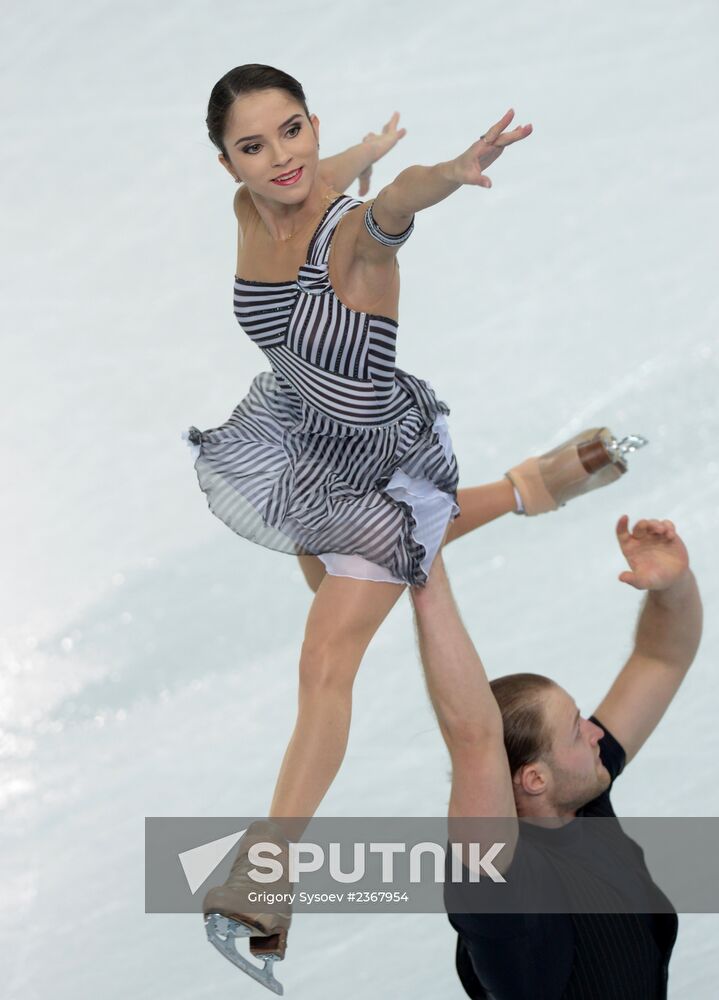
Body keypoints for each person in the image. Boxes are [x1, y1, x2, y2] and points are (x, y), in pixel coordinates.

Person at [183, 63, 643, 985]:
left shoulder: (358, 241)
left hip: (375, 462)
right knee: (379, 579)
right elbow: (327, 173)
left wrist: (441, 167)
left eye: (293, 132)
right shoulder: (252, 208)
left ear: (309, 121)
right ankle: (534, 483)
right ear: (226, 158)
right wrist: (359, 147)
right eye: (252, 144)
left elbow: (390, 200)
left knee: (326, 661)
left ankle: (264, 889)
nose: (279, 157)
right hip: (301, 442)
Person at [409, 515, 702, 999]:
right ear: (534, 780)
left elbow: (661, 659)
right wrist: (425, 571)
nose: (594, 734)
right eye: (575, 730)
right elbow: (473, 738)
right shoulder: (505, 893)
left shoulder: (581, 798)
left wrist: (672, 587)